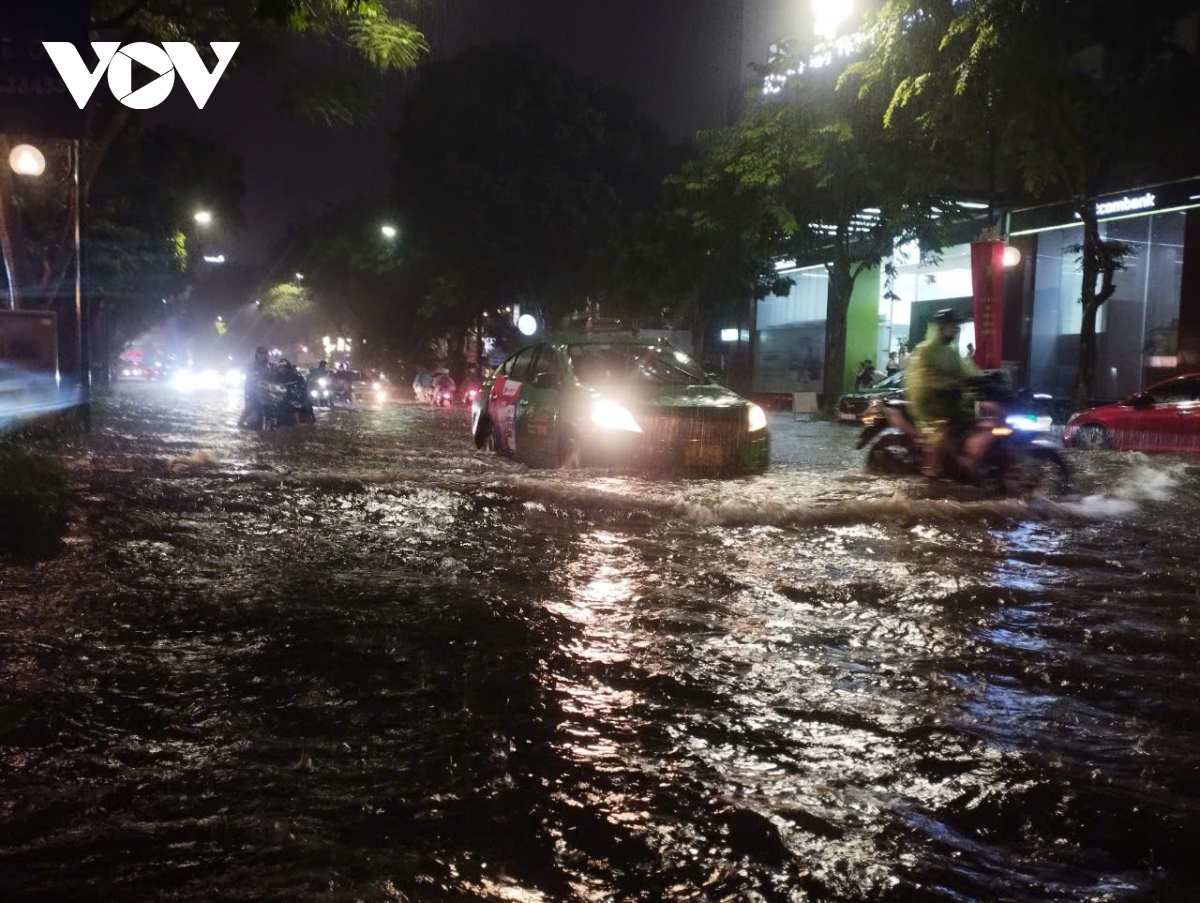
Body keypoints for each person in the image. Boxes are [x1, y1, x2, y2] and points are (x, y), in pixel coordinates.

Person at [906, 309, 980, 478]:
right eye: (953, 326)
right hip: (929, 400)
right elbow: (924, 376)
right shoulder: (925, 350)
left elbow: (966, 371)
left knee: (976, 417)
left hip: (951, 399)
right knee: (944, 425)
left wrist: (983, 378)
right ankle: (931, 468)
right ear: (942, 326)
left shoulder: (951, 352)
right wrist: (950, 383)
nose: (955, 330)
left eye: (957, 327)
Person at [238, 345, 273, 428]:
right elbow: (249, 377)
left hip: (266, 390)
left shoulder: (269, 365)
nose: (263, 355)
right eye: (261, 353)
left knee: (268, 407)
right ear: (257, 354)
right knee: (250, 406)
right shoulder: (252, 365)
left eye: (265, 353)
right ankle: (240, 422)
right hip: (252, 389)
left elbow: (275, 373)